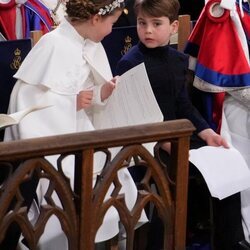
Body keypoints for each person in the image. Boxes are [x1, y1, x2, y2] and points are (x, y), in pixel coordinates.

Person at [3, 0, 147, 249]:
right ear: (95, 19)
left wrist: (101, 93)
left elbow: (86, 95)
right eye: (111, 23)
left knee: (116, 180)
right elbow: (24, 101)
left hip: (82, 133)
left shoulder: (92, 45)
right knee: (72, 195)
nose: (112, 30)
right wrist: (71, 103)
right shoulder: (53, 44)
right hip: (53, 142)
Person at [115, 0, 247, 249]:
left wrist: (207, 133)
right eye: (142, 24)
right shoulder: (129, 64)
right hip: (149, 143)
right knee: (169, 180)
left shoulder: (178, 60)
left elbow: (184, 105)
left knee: (226, 163)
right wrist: (164, 142)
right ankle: (165, 241)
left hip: (180, 135)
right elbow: (132, 117)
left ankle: (227, 240)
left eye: (156, 24)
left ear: (173, 26)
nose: (148, 31)